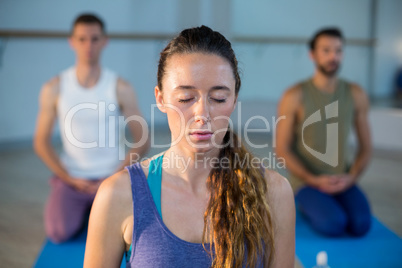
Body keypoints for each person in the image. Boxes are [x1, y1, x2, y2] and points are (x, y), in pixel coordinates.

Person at [84, 26, 295, 268]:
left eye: (218, 99)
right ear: (161, 99)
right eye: (186, 98)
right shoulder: (118, 194)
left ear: (234, 100)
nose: (202, 114)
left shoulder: (274, 193)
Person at [33, 13, 150, 243]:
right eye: (82, 39)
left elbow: (142, 139)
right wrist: (67, 177)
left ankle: (98, 205)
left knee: (134, 234)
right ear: (72, 41)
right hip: (72, 178)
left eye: (95, 39)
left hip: (112, 176)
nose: (89, 45)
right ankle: (85, 205)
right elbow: (40, 141)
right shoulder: (54, 88)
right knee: (58, 232)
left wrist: (116, 173)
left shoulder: (120, 87)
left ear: (104, 41)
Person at [276, 27, 372, 237]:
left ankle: (333, 200)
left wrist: (352, 177)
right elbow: (282, 149)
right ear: (313, 55)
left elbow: (366, 147)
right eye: (326, 50)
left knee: (362, 224)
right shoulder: (294, 95)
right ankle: (304, 203)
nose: (333, 56)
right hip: (306, 181)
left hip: (343, 179)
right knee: (333, 224)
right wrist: (312, 179)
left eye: (338, 50)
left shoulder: (355, 93)